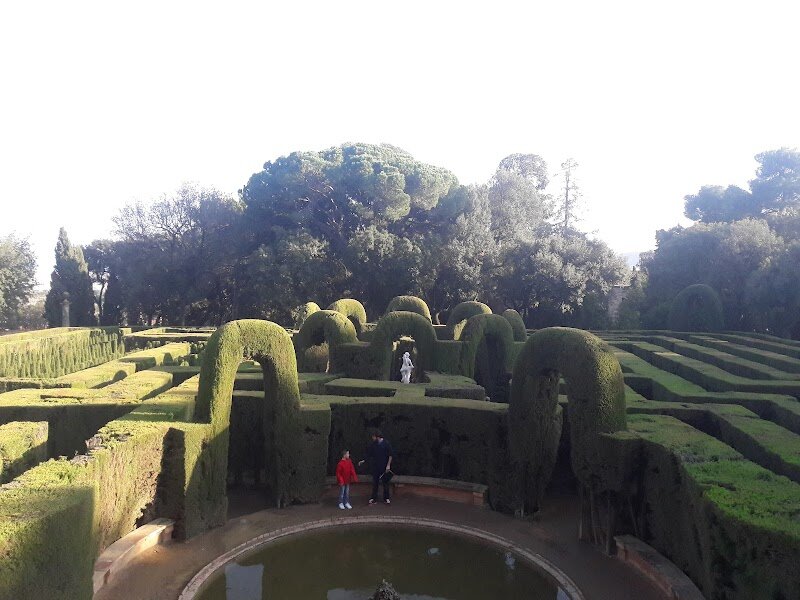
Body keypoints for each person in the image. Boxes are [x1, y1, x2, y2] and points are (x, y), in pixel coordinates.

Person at [358, 431, 393, 505]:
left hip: (384, 466)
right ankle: (374, 498)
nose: (372, 438)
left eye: (373, 437)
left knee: (385, 483)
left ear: (377, 437)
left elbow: (390, 455)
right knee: (375, 483)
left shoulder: (386, 443)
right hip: (376, 466)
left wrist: (388, 465)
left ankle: (386, 498)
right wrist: (363, 460)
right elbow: (369, 454)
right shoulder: (374, 444)